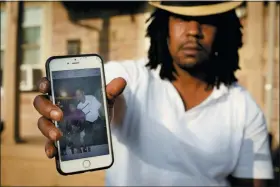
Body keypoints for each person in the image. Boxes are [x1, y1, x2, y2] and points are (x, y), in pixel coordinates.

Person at [33, 1, 274, 186]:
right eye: (181, 18)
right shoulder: (132, 77)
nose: (193, 31)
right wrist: (82, 101)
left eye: (207, 20)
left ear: (223, 31)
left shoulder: (244, 107)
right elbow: (108, 88)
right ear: (163, 28)